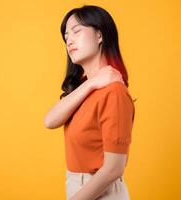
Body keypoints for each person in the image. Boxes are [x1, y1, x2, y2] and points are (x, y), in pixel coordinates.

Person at [44, 4, 136, 200]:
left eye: (77, 31)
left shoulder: (114, 92)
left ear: (100, 35)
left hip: (102, 192)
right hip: (78, 186)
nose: (69, 41)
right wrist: (92, 82)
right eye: (66, 37)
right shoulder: (86, 88)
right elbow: (49, 121)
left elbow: (113, 169)